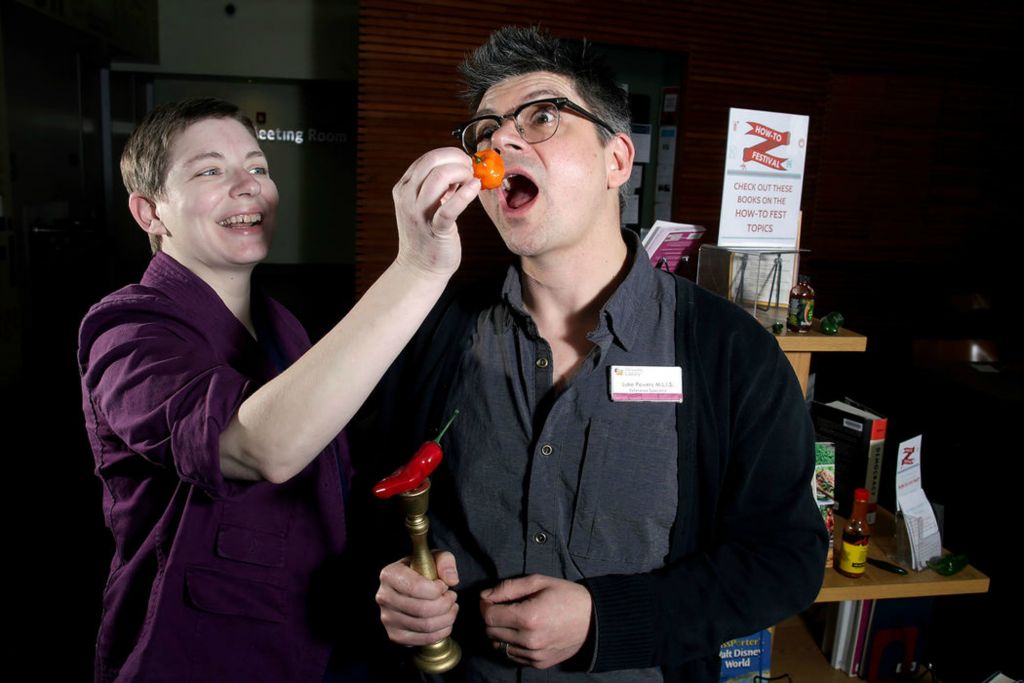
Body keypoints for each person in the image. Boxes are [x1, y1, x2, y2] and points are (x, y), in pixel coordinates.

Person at [369, 26, 828, 681]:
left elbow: (788, 559)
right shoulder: (433, 334)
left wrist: (606, 618)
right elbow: (368, 501)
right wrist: (398, 583)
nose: (499, 141)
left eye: (542, 116)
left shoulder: (731, 353)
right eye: (484, 131)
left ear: (618, 160)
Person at [77, 97, 481, 682]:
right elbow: (259, 447)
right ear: (149, 212)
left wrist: (394, 577)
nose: (248, 186)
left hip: (315, 637)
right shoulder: (127, 331)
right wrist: (419, 267)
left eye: (259, 168)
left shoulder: (282, 323)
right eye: (210, 170)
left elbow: (332, 482)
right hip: (198, 654)